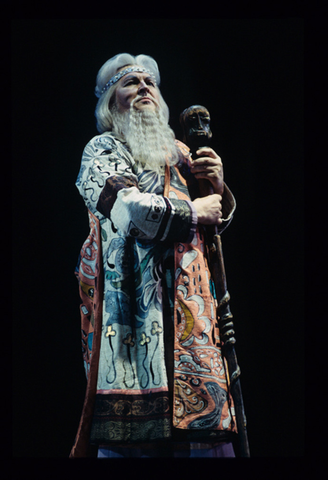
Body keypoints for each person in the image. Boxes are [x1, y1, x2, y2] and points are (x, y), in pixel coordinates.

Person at [70, 53, 237, 458]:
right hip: (133, 314)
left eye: (150, 82)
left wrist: (217, 188)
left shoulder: (181, 154)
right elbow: (128, 210)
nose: (144, 87)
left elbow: (209, 231)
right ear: (111, 102)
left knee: (207, 444)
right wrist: (195, 211)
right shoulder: (102, 149)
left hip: (192, 315)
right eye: (131, 83)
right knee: (133, 446)